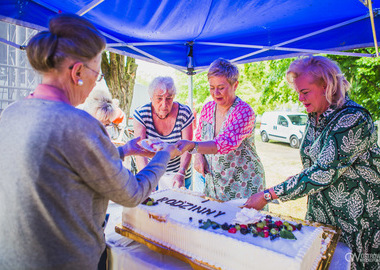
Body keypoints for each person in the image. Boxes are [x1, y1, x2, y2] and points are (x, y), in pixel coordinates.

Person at [0, 14, 180, 270]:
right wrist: (165, 154)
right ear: (78, 72)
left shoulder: (11, 112)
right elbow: (132, 193)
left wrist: (124, 150)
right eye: (97, 73)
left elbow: (60, 165)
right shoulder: (79, 124)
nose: (96, 82)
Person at [244, 55, 380, 270]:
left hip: (356, 222)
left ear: (326, 86)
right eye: (298, 92)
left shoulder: (353, 118)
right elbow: (311, 168)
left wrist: (268, 194)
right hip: (323, 218)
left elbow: (323, 172)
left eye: (304, 92)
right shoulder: (314, 117)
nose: (300, 98)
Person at [176, 58, 265, 201]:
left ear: (235, 85)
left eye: (221, 87)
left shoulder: (244, 111)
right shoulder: (207, 108)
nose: (215, 93)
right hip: (215, 185)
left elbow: (223, 144)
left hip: (244, 185)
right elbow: (200, 136)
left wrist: (193, 146)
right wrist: (198, 156)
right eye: (212, 87)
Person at [133, 76, 194, 189]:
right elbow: (140, 150)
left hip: (179, 172)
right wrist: (147, 178)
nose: (164, 104)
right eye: (159, 98)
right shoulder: (141, 114)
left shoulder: (184, 112)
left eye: (169, 98)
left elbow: (188, 148)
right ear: (151, 98)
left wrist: (181, 172)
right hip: (152, 170)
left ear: (174, 97)